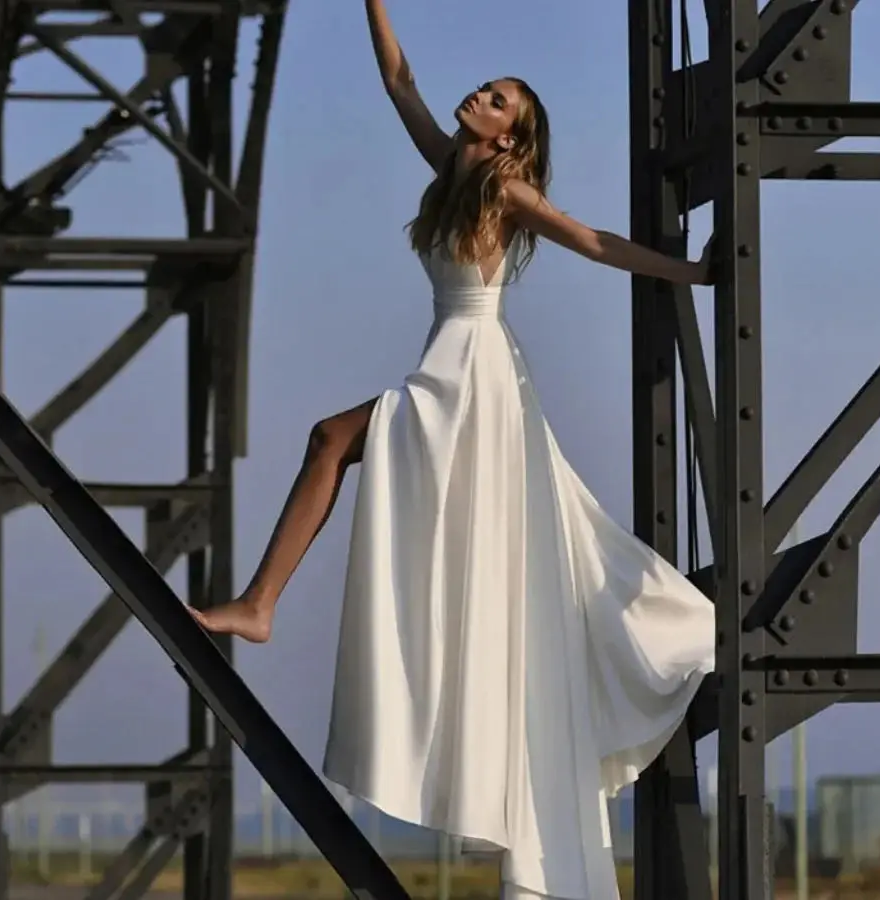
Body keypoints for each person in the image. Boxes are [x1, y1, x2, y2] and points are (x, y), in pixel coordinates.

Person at [192, 2, 716, 898]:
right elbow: (399, 80)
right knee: (331, 442)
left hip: (475, 382)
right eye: (486, 88)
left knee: (330, 438)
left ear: (514, 136)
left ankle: (258, 605)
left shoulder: (506, 193)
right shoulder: (449, 166)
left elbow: (592, 240)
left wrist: (693, 273)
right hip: (444, 367)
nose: (483, 94)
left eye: (500, 97)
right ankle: (259, 604)